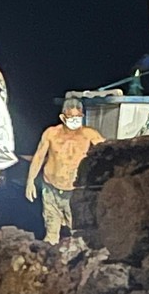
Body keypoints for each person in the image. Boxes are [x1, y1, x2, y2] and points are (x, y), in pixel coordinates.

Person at [25, 97, 105, 243]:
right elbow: (38, 157)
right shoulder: (51, 133)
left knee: (77, 234)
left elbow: (107, 152)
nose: (75, 120)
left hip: (75, 191)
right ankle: (48, 259)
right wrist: (30, 181)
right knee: (51, 233)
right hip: (51, 188)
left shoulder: (90, 135)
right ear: (63, 117)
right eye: (71, 117)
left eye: (78, 117)